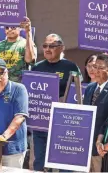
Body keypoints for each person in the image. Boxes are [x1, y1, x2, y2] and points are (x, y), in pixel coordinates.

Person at [31, 33, 81, 171]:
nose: (47, 49)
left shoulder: (70, 66)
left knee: (63, 160)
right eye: (45, 45)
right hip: (41, 119)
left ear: (61, 48)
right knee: (40, 160)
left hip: (63, 120)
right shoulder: (37, 67)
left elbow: (78, 91)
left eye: (52, 46)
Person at [83, 54, 108, 172]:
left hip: (102, 149)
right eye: (94, 66)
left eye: (100, 68)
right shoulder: (90, 88)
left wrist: (103, 144)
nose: (95, 70)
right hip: (85, 146)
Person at [0, 17, 37, 82]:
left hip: (19, 85)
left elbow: (29, 60)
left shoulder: (26, 44)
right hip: (1, 84)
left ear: (20, 28)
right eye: (7, 27)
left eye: (13, 27)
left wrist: (28, 32)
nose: (9, 29)